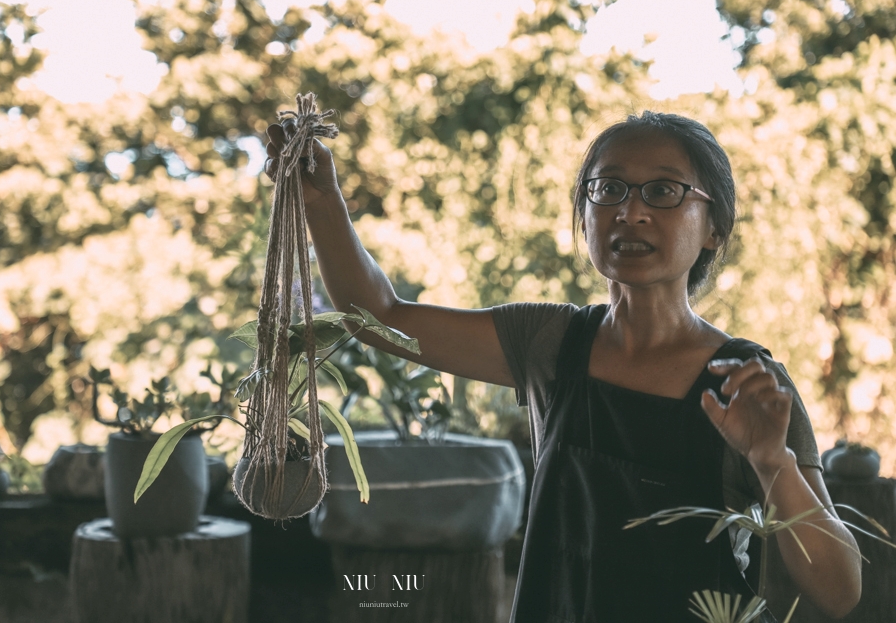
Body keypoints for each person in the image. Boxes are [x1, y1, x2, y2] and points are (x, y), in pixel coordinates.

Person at [265, 110, 861, 621]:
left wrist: (772, 461)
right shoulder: (550, 341)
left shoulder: (748, 383)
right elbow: (380, 315)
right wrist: (322, 202)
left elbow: (839, 591)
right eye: (609, 190)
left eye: (664, 191)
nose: (631, 212)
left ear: (714, 229)